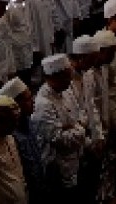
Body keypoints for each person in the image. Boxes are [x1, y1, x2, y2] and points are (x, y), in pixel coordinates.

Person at [33, 54, 87, 199]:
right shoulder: (43, 104)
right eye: (67, 77)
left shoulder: (66, 92)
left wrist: (73, 127)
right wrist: (80, 129)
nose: (70, 81)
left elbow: (81, 114)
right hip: (57, 168)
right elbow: (59, 139)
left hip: (75, 161)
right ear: (56, 77)